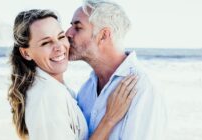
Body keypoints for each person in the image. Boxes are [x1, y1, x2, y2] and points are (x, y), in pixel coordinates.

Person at [8, 9, 138, 140]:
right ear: (26, 53)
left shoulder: (56, 89)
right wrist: (109, 119)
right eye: (46, 42)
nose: (59, 47)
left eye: (60, 37)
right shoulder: (47, 96)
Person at [66, 0, 167, 139]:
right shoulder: (86, 90)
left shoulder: (141, 88)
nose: (67, 33)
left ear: (103, 35)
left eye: (77, 28)